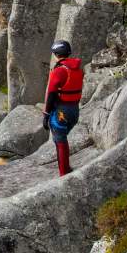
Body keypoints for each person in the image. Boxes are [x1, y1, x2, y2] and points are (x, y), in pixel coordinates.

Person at [45, 40, 84, 176]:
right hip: (75, 110)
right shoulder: (78, 68)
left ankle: (63, 174)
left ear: (56, 54)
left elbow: (51, 94)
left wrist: (46, 114)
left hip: (62, 111)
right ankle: (66, 168)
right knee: (62, 138)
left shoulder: (59, 70)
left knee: (60, 140)